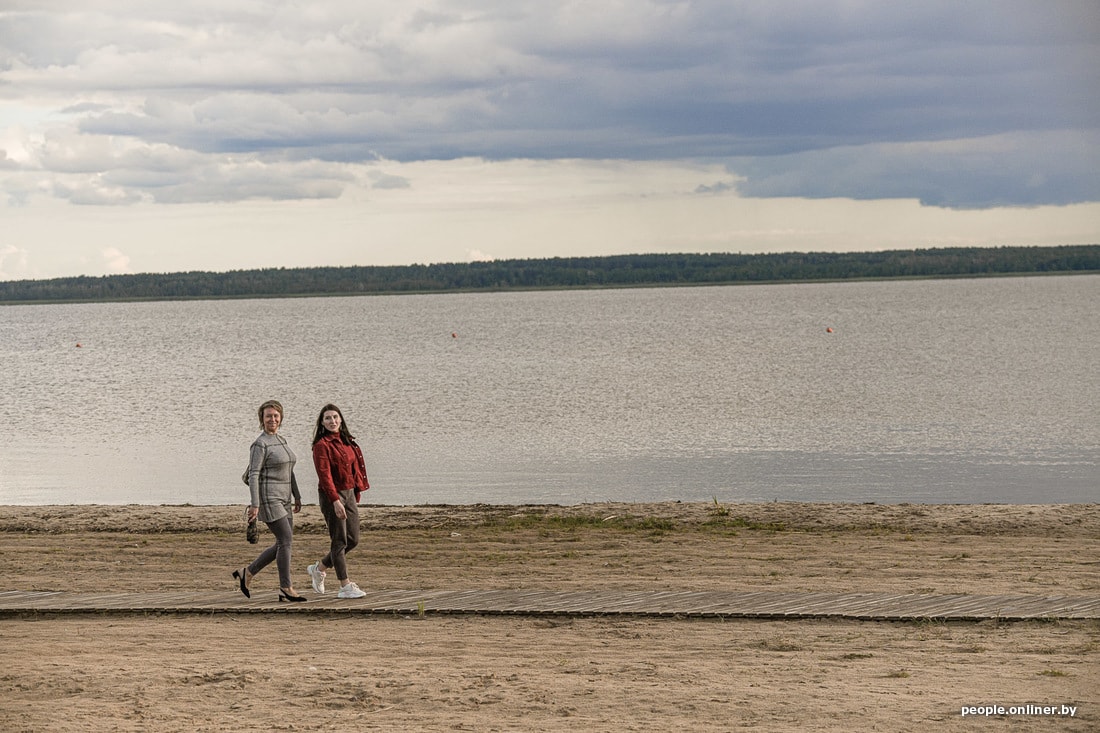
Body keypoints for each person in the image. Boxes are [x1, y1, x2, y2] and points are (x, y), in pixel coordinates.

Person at [233, 399, 305, 602]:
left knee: (283, 543)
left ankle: (247, 573)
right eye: (268, 416)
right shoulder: (260, 444)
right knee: (286, 541)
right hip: (268, 498)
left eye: (275, 416)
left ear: (280, 418)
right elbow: (254, 474)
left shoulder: (282, 441)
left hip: (285, 499)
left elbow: (289, 470)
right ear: (262, 420)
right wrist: (255, 504)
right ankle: (285, 588)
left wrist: (296, 495)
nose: (272, 419)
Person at [306, 403, 370, 599]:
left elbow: (355, 469)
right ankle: (345, 586)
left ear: (341, 419)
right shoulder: (321, 446)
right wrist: (335, 501)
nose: (332, 421)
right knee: (339, 540)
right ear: (322, 423)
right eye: (327, 418)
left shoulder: (347, 441)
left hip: (349, 493)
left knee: (353, 539)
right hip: (331, 495)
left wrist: (355, 492)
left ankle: (320, 567)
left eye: (335, 417)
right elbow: (324, 476)